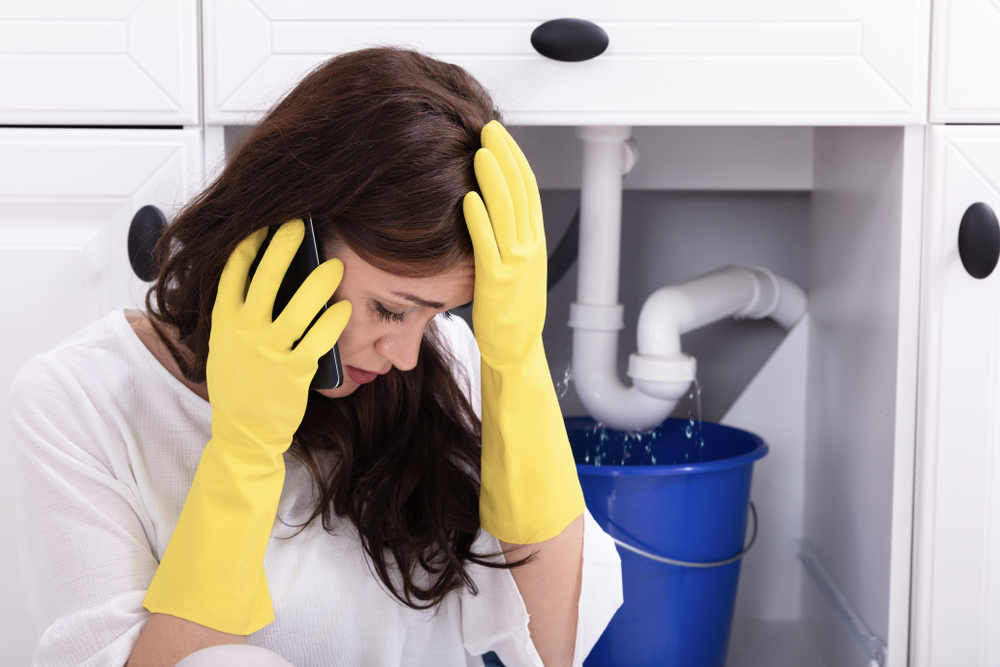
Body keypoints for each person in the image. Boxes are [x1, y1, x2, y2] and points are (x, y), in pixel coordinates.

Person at [7, 48, 622, 667]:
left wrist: (515, 365)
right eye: (389, 309)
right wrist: (244, 453)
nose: (408, 354)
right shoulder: (72, 404)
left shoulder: (447, 362)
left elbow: (550, 647)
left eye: (439, 314)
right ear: (287, 247)